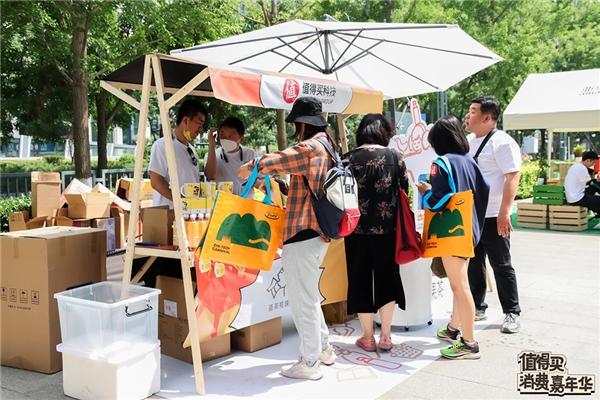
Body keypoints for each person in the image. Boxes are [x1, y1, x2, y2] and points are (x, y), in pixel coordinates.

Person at [238, 97, 336, 380]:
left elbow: (279, 159)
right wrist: (279, 184)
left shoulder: (311, 147)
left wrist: (251, 166)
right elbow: (306, 185)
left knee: (303, 301)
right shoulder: (329, 146)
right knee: (310, 296)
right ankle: (324, 349)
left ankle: (309, 362)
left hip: (303, 233)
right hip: (318, 232)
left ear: (301, 124)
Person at [417, 115, 489, 360]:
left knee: (459, 286)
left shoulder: (441, 163)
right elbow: (484, 190)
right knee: (460, 283)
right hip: (469, 229)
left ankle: (469, 343)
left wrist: (426, 192)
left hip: (451, 233)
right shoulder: (470, 161)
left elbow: (437, 200)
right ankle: (452, 328)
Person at [344, 114, 408, 353]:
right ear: (385, 133)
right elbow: (405, 193)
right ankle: (386, 336)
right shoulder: (395, 158)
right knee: (387, 280)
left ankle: (368, 337)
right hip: (388, 232)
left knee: (359, 280)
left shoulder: (348, 159)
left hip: (355, 231)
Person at [465, 96, 522, 333]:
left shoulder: (502, 142)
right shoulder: (468, 141)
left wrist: (504, 212)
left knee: (502, 265)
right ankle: (477, 307)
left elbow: (513, 176)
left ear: (487, 118)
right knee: (474, 263)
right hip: (473, 215)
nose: (468, 116)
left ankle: (512, 312)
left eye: (473, 111)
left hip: (494, 215)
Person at [148, 99, 207, 208]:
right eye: (199, 124)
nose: (201, 129)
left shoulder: (192, 150)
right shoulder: (162, 146)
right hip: (169, 213)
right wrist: (180, 200)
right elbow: (156, 181)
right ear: (186, 121)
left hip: (190, 213)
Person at [204, 116, 256, 195]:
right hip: (222, 201)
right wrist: (211, 145)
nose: (226, 139)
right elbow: (210, 176)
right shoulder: (212, 155)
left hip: (245, 200)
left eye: (230, 136)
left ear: (241, 139)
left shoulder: (250, 154)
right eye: (223, 136)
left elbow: (258, 179)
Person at [565, 150, 600, 214]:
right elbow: (591, 183)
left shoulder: (576, 166)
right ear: (588, 160)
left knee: (594, 188)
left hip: (573, 196)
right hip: (577, 199)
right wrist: (597, 180)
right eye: (593, 162)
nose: (594, 164)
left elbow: (590, 183)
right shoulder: (582, 168)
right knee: (598, 199)